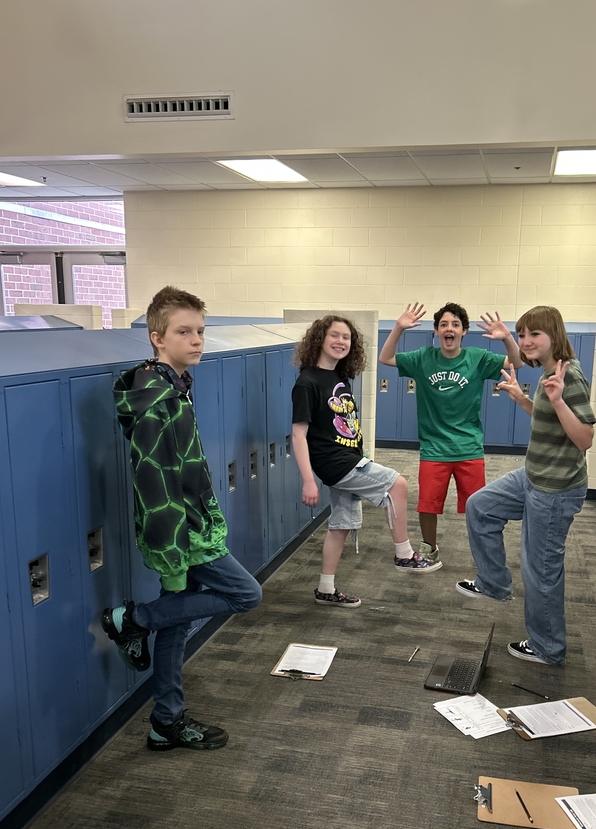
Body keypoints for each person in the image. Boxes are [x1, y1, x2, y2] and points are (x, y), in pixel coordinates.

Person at [101, 286, 262, 751]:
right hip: (182, 533)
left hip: (192, 525)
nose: (196, 340)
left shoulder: (173, 385)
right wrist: (172, 547)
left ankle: (165, 722)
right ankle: (132, 618)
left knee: (176, 624)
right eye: (183, 332)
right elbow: (152, 479)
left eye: (200, 332)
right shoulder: (155, 398)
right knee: (245, 594)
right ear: (157, 337)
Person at [456, 305, 596, 667]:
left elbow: (584, 438)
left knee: (541, 569)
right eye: (522, 335)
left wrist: (559, 400)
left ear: (555, 335)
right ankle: (494, 582)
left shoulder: (570, 376)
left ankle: (548, 647)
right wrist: (523, 398)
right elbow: (549, 419)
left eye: (534, 334)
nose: (526, 342)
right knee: (480, 505)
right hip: (534, 474)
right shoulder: (550, 368)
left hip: (555, 489)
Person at [292, 313, 441, 609]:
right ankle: (403, 554)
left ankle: (326, 588)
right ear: (320, 339)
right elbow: (298, 434)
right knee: (397, 484)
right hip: (333, 462)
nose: (341, 341)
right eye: (334, 335)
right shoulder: (307, 382)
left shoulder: (339, 377)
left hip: (348, 457)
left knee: (341, 525)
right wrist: (308, 479)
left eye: (346, 337)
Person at [379, 302, 523, 562]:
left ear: (464, 331)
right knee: (427, 504)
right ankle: (429, 549)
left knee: (478, 506)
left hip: (469, 446)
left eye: (455, 325)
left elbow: (518, 362)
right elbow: (386, 358)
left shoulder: (477, 358)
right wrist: (399, 327)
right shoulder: (423, 358)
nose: (449, 329)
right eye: (444, 324)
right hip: (434, 447)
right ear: (436, 331)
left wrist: (507, 339)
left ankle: (483, 554)